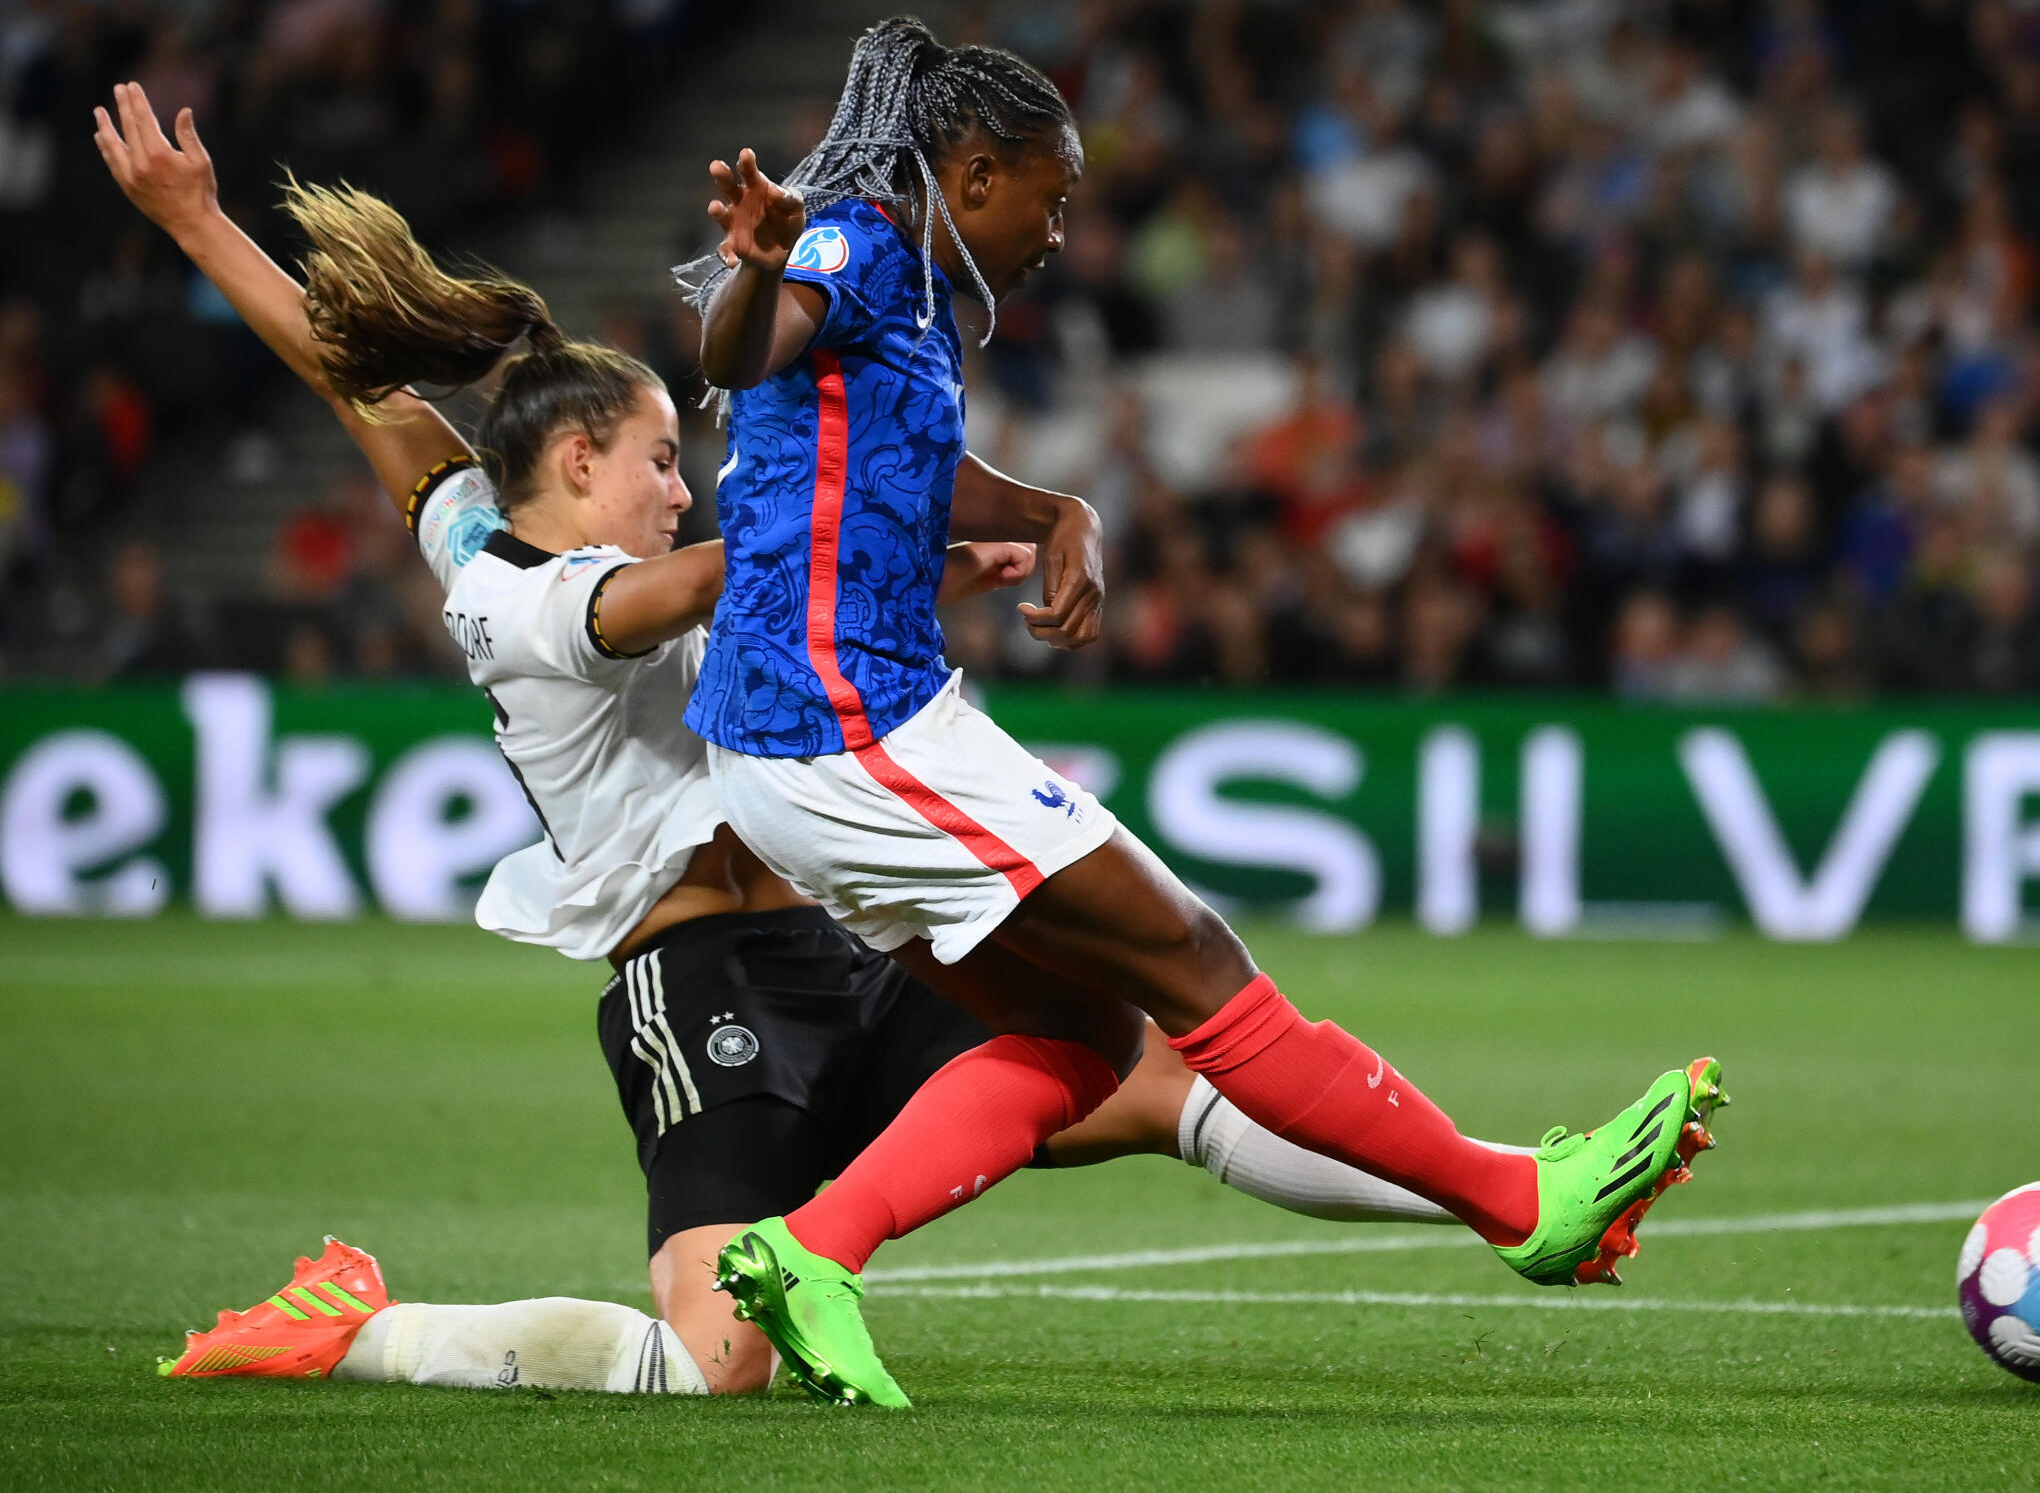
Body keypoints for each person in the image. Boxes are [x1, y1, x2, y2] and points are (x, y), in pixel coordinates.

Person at [91, 84, 1612, 1399]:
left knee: (1145, 1069)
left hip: (840, 934)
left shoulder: (467, 510)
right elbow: (741, 561)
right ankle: (359, 1326)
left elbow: (354, 376)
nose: (680, 485)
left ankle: (1508, 1192)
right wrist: (902, 518)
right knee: (709, 1367)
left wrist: (197, 222)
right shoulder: (523, 601)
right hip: (700, 988)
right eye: (657, 462)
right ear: (576, 460)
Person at [680, 17, 1725, 1405]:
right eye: (1050, 199)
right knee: (1194, 956)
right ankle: (1524, 1204)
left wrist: (1059, 507)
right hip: (844, 726)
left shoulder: (912, 287)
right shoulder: (849, 245)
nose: (1059, 231)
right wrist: (754, 272)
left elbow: (903, 456)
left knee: (1090, 1036)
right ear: (975, 172)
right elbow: (750, 346)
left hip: (820, 736)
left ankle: (815, 1249)